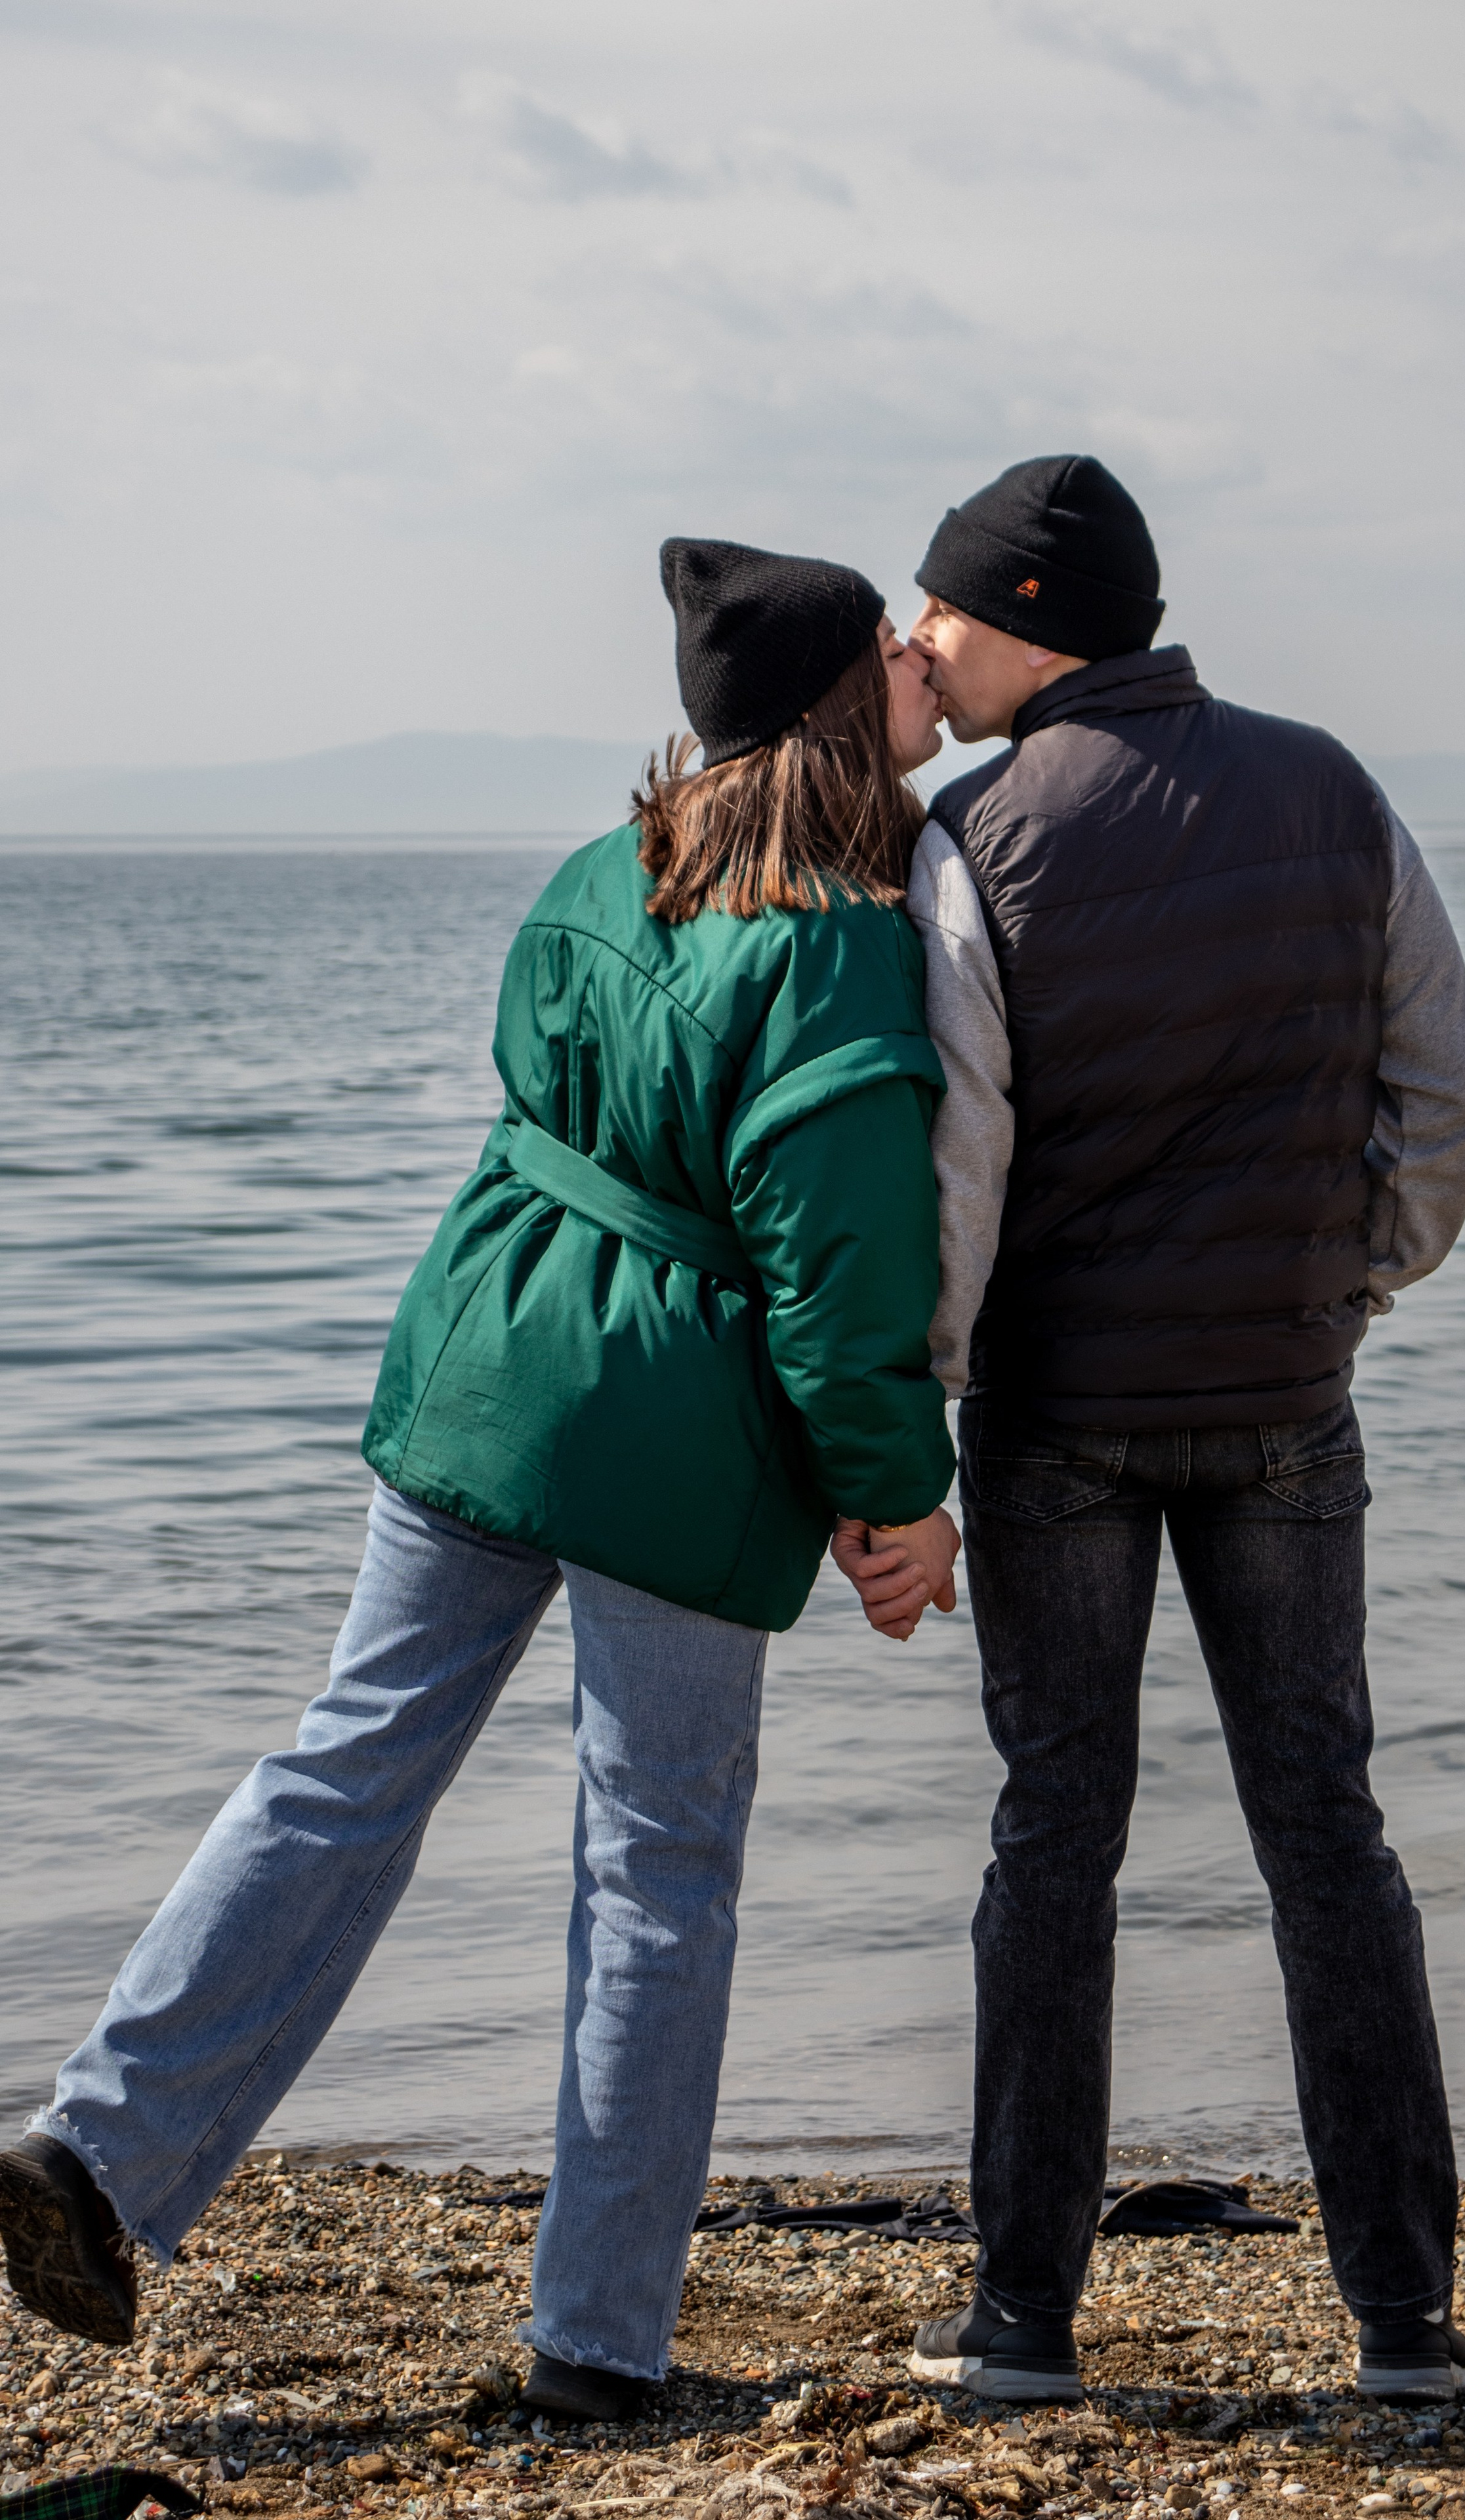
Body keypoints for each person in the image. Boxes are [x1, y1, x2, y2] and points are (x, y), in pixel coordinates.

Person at [0, 538, 962, 2422]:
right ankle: (598, 2342)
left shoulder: (610, 865)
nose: (925, 677)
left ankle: (92, 2152)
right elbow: (840, 1264)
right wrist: (897, 1499)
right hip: (671, 1414)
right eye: (896, 660)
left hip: (484, 1346)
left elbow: (542, 1077)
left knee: (346, 1761)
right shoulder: (842, 936)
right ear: (845, 701)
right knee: (658, 1865)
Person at [844, 455, 1465, 2408]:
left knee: (1056, 1840)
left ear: (1023, 614)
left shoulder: (973, 836)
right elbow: (1447, 1103)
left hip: (1059, 1426)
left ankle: (1024, 2323)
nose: (918, 646)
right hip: (1288, 1404)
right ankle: (1404, 2325)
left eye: (937, 611)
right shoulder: (1334, 786)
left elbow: (963, 1161)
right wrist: (1341, 1289)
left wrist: (935, 1388)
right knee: (1332, 1839)